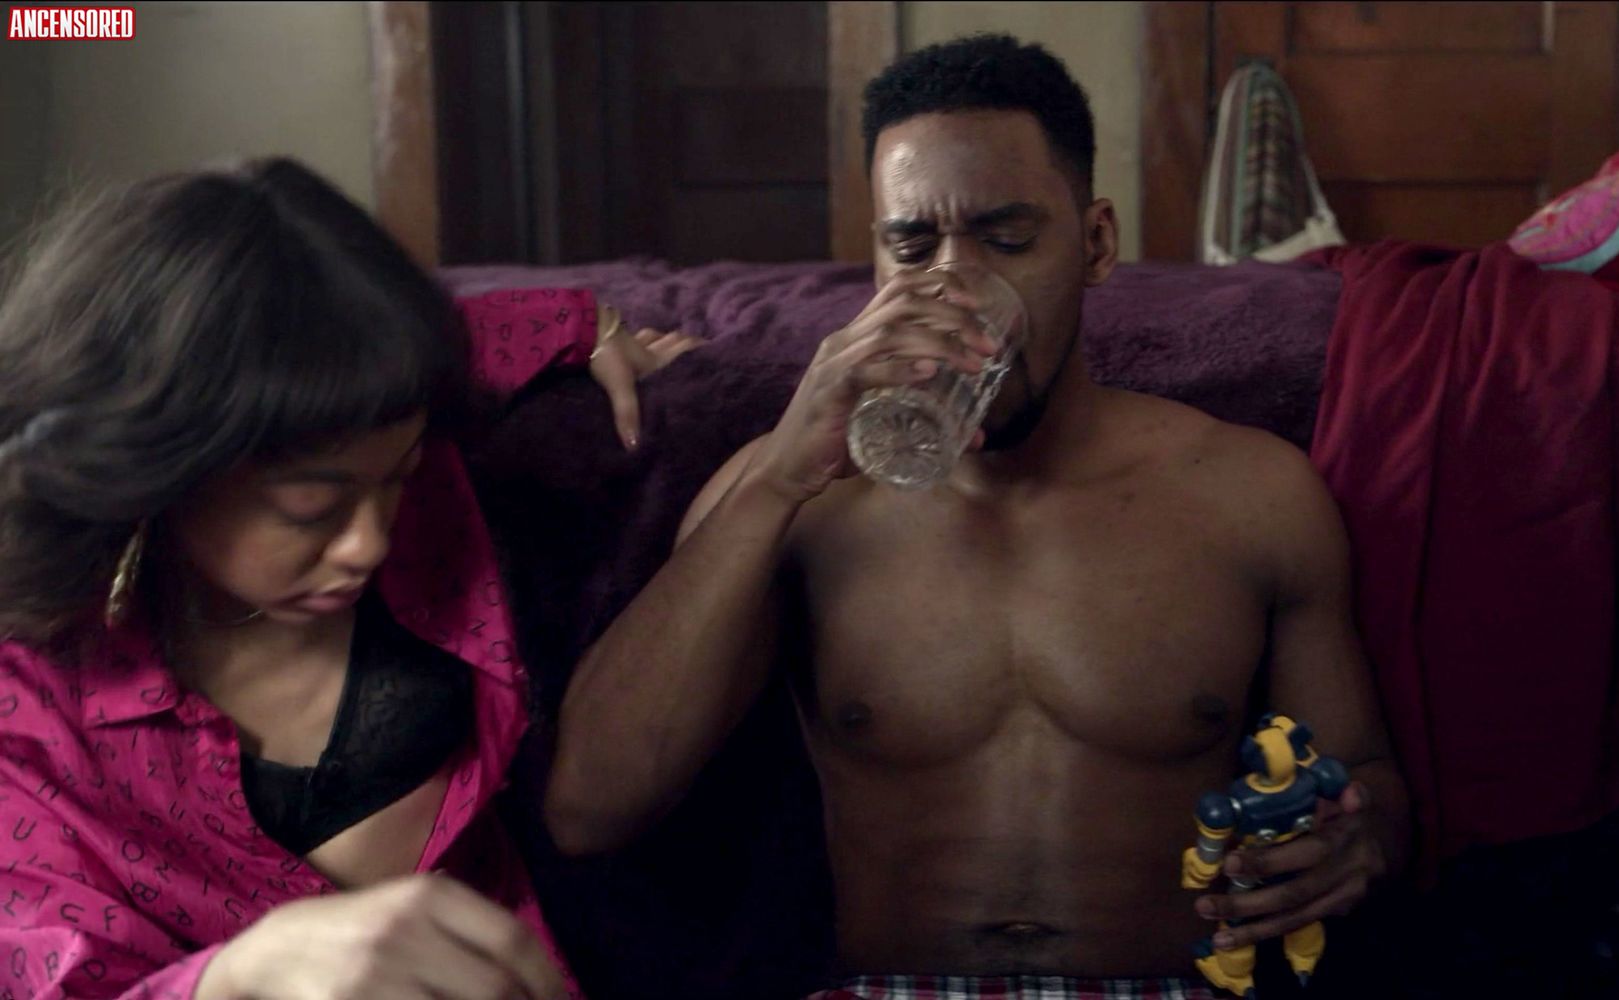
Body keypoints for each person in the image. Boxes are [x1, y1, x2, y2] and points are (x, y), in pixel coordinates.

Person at [546, 34, 1411, 999]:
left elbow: (1366, 785)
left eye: (1006, 240)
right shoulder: (792, 497)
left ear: (1095, 244)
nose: (953, 290)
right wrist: (779, 476)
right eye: (913, 248)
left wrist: (1352, 841)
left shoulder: (1248, 493)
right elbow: (589, 809)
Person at [0, 158, 695, 999]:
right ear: (157, 465)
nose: (369, 543)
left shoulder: (379, 418)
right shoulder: (30, 711)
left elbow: (448, 342)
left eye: (399, 477)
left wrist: (585, 322)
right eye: (311, 508)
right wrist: (233, 979)